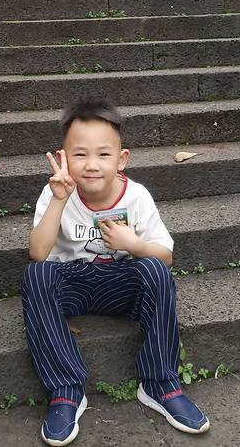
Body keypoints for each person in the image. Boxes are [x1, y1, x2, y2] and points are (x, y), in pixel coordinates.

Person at [22, 97, 210, 446]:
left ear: (122, 159)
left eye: (103, 154)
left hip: (120, 284)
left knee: (154, 268)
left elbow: (165, 255)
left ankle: (160, 384)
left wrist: (133, 244)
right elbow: (38, 252)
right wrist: (60, 199)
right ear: (63, 157)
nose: (92, 165)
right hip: (73, 282)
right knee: (36, 274)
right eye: (80, 154)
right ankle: (66, 390)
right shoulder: (55, 192)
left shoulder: (136, 196)